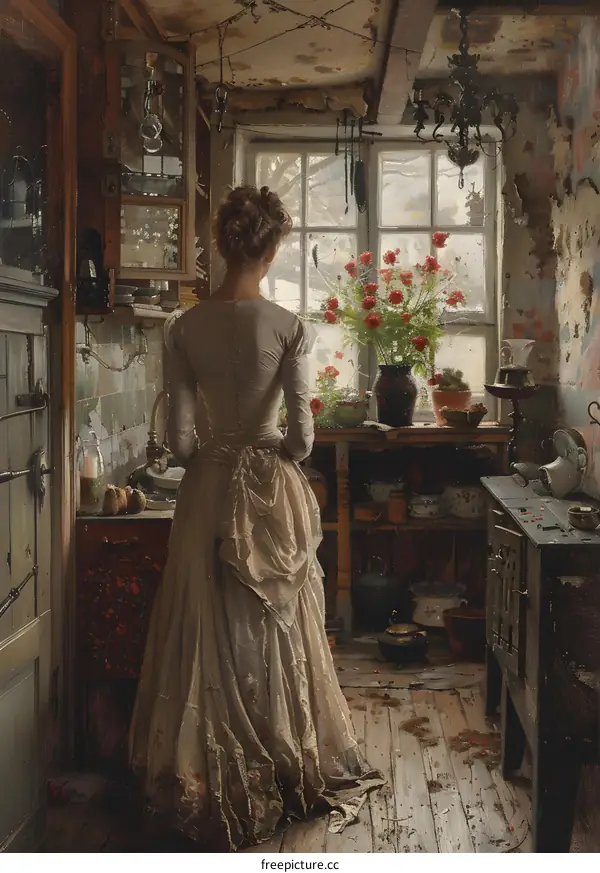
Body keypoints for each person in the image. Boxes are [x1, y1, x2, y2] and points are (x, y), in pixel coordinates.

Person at [129, 185, 384, 851]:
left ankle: (205, 775)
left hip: (207, 491)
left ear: (220, 242)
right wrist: (267, 448)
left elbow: (181, 443)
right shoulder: (287, 325)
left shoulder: (183, 328)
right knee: (272, 628)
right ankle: (278, 759)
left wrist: (218, 449)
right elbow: (302, 439)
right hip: (271, 490)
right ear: (271, 249)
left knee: (206, 629)